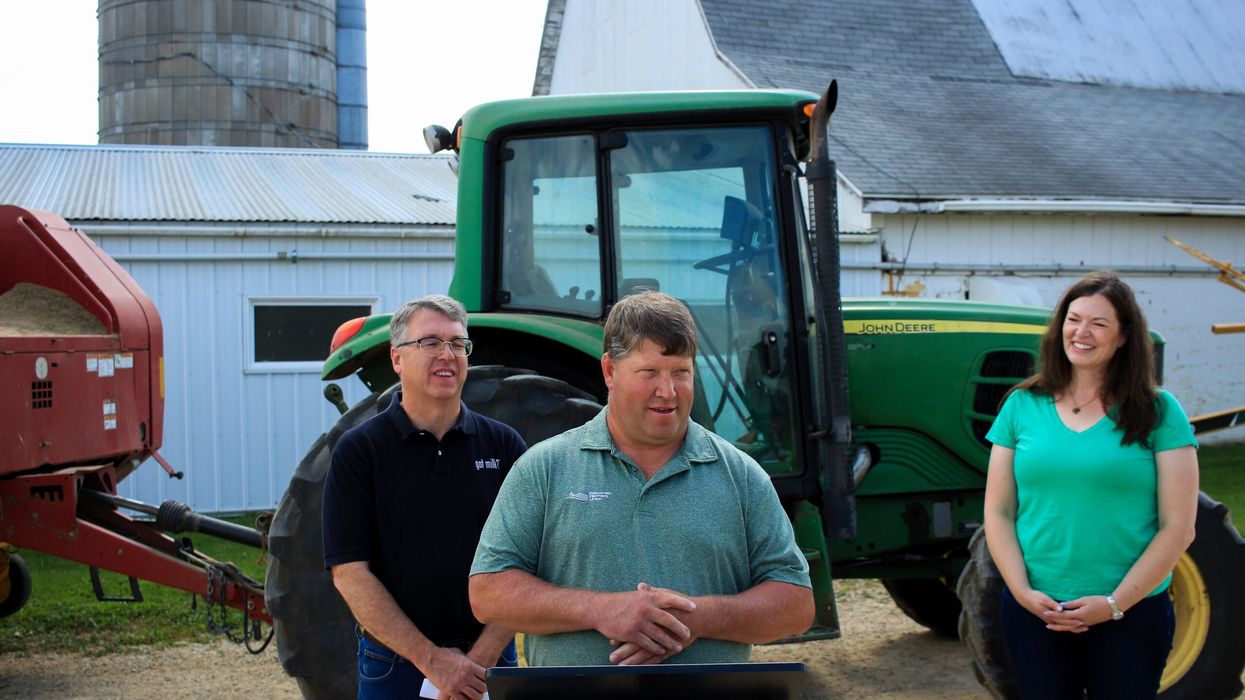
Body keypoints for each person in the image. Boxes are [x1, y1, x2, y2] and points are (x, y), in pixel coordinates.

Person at [468, 290, 814, 666]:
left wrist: (695, 619)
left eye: (681, 373)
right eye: (649, 372)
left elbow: (796, 604)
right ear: (610, 371)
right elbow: (488, 593)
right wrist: (601, 610)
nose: (667, 392)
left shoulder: (741, 475)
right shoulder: (544, 468)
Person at [983, 271, 1199, 699]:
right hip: (1035, 613)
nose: (1081, 332)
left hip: (1129, 616)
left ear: (1123, 337)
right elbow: (998, 511)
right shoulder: (1021, 405)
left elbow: (1179, 527)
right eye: (1073, 319)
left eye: (1098, 324)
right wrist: (1023, 592)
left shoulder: (1160, 412)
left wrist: (1114, 605)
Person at [322, 295, 526, 700]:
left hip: (490, 664)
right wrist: (433, 661)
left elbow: (528, 560)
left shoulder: (504, 446)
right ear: (397, 359)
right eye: (430, 343)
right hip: (395, 664)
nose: (447, 355)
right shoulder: (360, 451)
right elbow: (349, 572)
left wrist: (478, 660)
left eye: (457, 344)